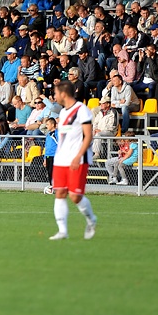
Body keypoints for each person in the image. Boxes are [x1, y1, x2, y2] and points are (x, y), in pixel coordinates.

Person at [49, 81, 98, 241]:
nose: (54, 96)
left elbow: (88, 135)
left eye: (56, 93)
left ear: (63, 94)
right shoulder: (63, 112)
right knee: (60, 192)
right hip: (61, 159)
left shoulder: (82, 110)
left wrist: (78, 156)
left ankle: (91, 219)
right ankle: (62, 231)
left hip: (77, 158)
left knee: (75, 196)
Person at [43, 117, 57, 195]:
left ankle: (55, 187)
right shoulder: (48, 135)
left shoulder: (57, 133)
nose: (46, 126)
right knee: (49, 172)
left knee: (53, 172)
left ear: (52, 124)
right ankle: (52, 187)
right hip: (48, 156)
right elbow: (46, 146)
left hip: (54, 156)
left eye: (48, 124)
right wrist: (45, 158)